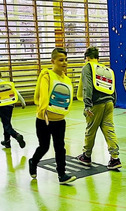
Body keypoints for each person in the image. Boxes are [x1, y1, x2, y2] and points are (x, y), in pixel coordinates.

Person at [28, 47, 76, 185]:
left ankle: (62, 175)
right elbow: (43, 96)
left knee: (60, 147)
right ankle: (33, 161)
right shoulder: (47, 76)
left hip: (60, 121)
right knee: (44, 147)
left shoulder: (66, 79)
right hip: (44, 120)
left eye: (66, 60)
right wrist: (43, 111)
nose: (64, 63)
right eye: (61, 60)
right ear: (53, 61)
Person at [76, 46, 122, 170]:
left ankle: (86, 155)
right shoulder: (106, 69)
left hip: (96, 104)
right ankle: (115, 158)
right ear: (98, 57)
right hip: (109, 103)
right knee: (109, 130)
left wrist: (87, 105)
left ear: (86, 57)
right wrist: (113, 102)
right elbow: (113, 88)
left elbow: (87, 86)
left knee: (90, 130)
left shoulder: (88, 67)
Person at [0, 73, 26, 149]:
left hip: (1, 106)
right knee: (6, 123)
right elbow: (16, 92)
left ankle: (16, 135)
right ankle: (7, 142)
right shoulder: (6, 84)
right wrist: (23, 102)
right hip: (9, 105)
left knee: (6, 124)